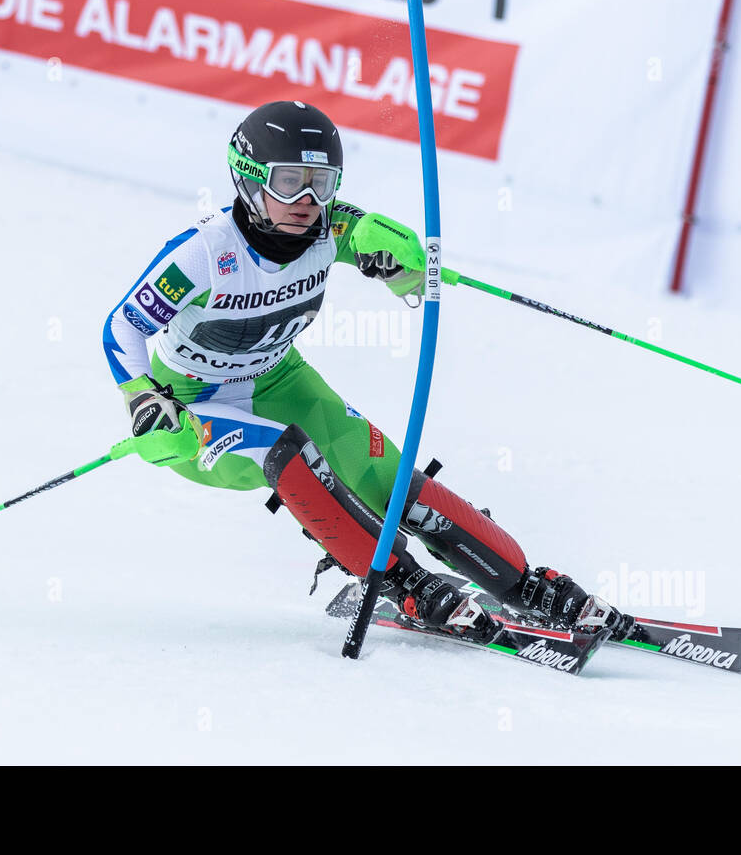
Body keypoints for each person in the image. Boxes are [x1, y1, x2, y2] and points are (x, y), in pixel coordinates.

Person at [103, 99, 631, 642]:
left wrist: (404, 264)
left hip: (278, 378)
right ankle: (403, 581)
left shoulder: (331, 227)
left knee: (384, 474)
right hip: (192, 407)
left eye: (322, 182)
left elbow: (392, 254)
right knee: (285, 452)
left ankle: (526, 585)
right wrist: (143, 396)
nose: (308, 201)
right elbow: (122, 327)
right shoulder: (203, 254)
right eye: (289, 182)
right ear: (249, 178)